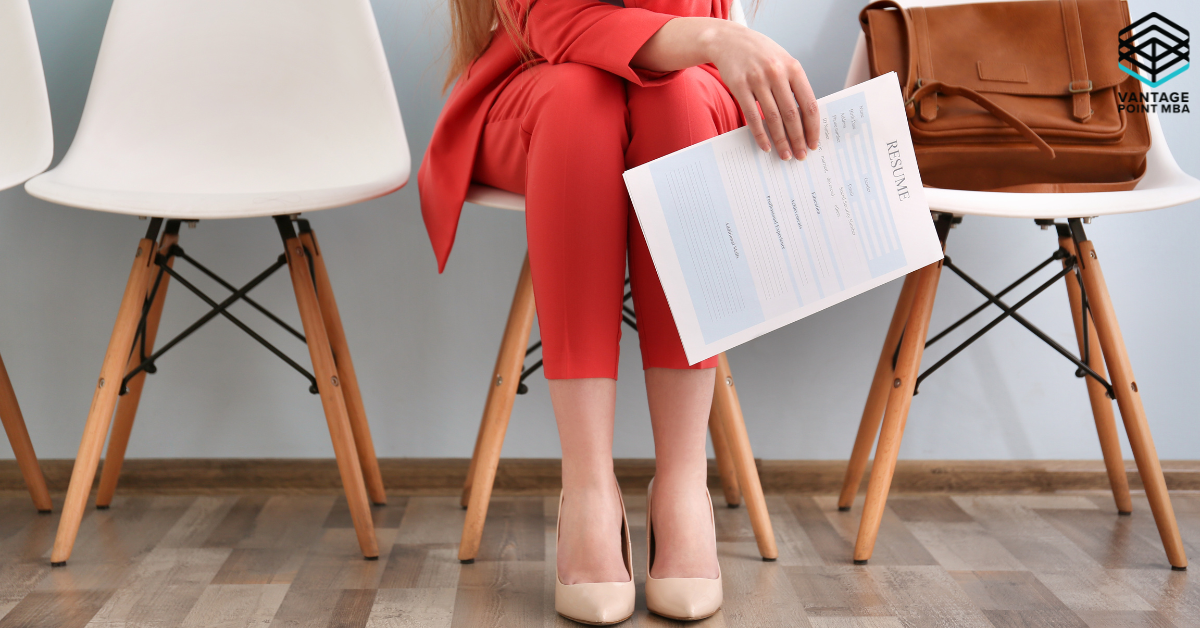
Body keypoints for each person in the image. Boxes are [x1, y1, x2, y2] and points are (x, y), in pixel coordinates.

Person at [419, 0, 819, 623]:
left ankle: (684, 486)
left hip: (689, 88)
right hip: (535, 80)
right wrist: (712, 35)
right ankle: (587, 491)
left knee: (677, 100)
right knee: (580, 100)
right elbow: (554, 20)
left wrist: (704, 37)